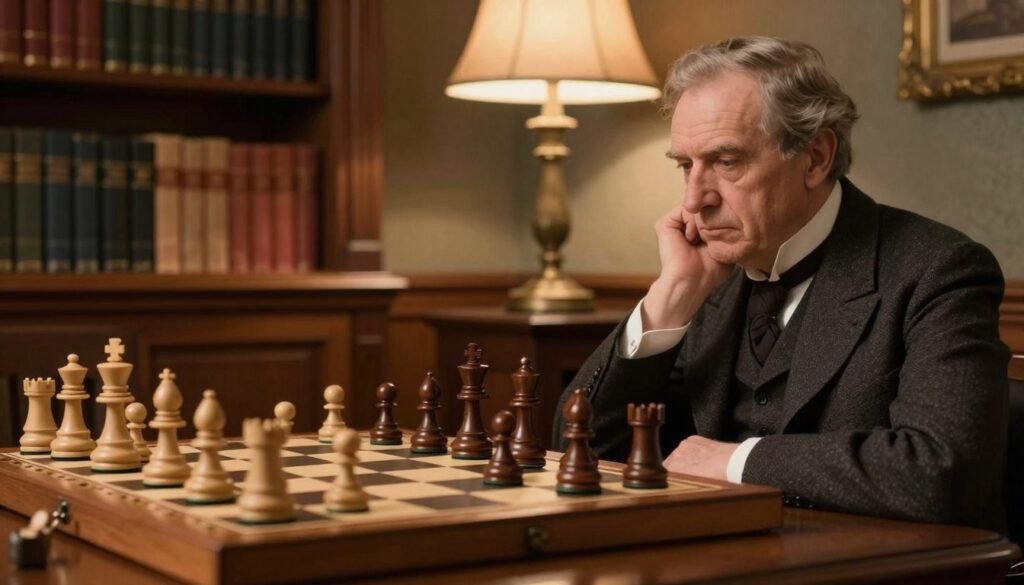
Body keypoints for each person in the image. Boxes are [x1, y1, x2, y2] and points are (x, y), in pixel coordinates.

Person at [552, 36, 1009, 531]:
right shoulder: (708, 279)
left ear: (815, 158)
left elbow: (943, 471)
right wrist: (671, 297)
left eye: (726, 162)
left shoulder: (939, 270)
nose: (693, 199)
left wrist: (735, 463)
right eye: (686, 165)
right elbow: (577, 445)